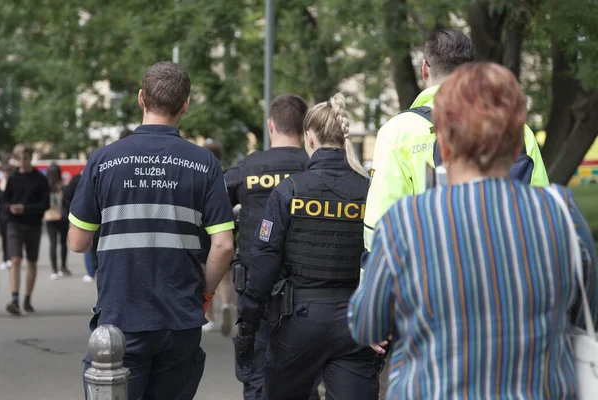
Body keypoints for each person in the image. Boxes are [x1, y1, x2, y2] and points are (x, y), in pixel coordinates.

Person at [349, 62, 598, 399]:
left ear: (445, 145)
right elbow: (587, 313)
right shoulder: (561, 211)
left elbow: (367, 325)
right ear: (516, 145)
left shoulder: (406, 223)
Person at [68, 61, 235, 400]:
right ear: (185, 104)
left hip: (120, 318)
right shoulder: (204, 163)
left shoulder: (104, 160)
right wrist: (202, 296)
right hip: (180, 318)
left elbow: (77, 242)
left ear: (141, 99)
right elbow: (223, 247)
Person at [235, 94, 380, 400]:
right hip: (356, 324)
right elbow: (387, 257)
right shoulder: (370, 190)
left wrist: (247, 326)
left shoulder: (289, 191)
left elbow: (264, 264)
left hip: (297, 323)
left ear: (309, 139)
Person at [363, 28, 549, 252]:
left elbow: (380, 226)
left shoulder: (396, 132)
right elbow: (542, 209)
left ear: (424, 69)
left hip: (432, 274)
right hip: (514, 270)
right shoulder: (517, 130)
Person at [226, 94, 310, 400]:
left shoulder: (248, 168)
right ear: (303, 128)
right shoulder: (312, 167)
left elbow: (213, 211)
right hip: (306, 292)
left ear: (270, 125)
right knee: (304, 380)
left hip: (255, 292)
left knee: (257, 378)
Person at [3, 144, 50, 315]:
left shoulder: (40, 179)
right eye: (19, 158)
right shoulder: (13, 178)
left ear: (31, 158)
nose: (22, 162)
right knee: (15, 260)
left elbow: (45, 204)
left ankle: (27, 298)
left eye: (26, 158)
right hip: (14, 223)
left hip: (33, 224)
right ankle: (14, 298)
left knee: (31, 261)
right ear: (16, 159)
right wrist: (10, 208)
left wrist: (25, 208)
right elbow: (4, 201)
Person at [202, 141, 235, 336]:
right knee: (225, 274)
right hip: (226, 227)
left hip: (205, 229)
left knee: (207, 272)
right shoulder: (227, 176)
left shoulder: (201, 174)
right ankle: (227, 304)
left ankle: (210, 318)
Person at [44, 163, 71, 279]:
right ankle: (63, 267)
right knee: (63, 243)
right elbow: (68, 200)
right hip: (63, 217)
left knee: (53, 243)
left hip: (50, 217)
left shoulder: (45, 185)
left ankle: (54, 270)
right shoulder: (63, 185)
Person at [0, 164, 15, 271]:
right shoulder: (0, 184)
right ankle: (5, 259)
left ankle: (11, 258)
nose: (5, 174)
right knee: (4, 238)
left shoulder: (13, 184)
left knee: (12, 238)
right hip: (2, 214)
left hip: (12, 215)